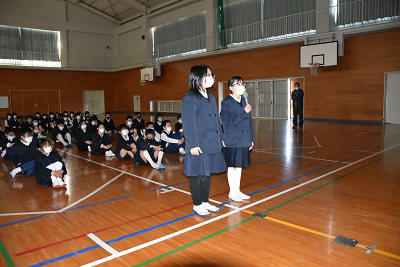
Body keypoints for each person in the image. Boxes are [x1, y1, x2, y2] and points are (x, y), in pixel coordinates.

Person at [181, 64, 226, 217]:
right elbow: (188, 124)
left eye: (211, 74)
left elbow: (216, 119)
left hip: (212, 142)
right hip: (198, 144)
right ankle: (197, 204)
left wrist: (221, 138)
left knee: (207, 174)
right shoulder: (190, 98)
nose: (210, 77)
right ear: (197, 77)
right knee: (197, 174)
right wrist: (192, 144)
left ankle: (205, 201)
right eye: (207, 74)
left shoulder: (211, 97)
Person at [220, 76, 255, 202]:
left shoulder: (244, 101)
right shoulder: (226, 102)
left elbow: (249, 121)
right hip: (232, 138)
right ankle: (232, 192)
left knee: (239, 165)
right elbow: (227, 121)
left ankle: (237, 190)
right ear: (230, 87)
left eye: (242, 83)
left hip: (244, 138)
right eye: (237, 84)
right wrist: (243, 113)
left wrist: (251, 138)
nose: (241, 86)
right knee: (233, 166)